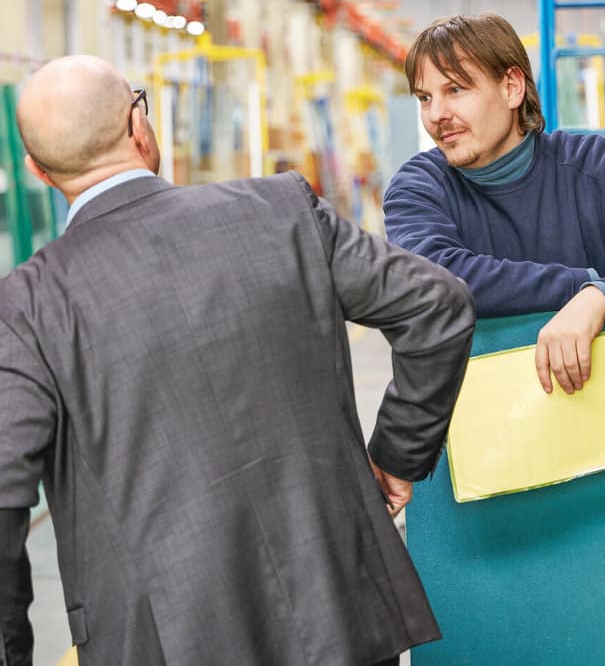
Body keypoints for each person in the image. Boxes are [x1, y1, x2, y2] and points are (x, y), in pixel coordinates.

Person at [0, 55, 475, 666]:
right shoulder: (282, 210)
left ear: (38, 170)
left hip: (160, 642)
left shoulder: (30, 304)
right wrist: (395, 457)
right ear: (138, 126)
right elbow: (438, 305)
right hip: (336, 603)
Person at [384, 12, 605, 395]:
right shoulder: (418, 187)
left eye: (455, 90)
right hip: (483, 430)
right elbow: (433, 280)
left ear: (511, 87)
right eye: (425, 98)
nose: (437, 114)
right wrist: (583, 285)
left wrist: (604, 299)